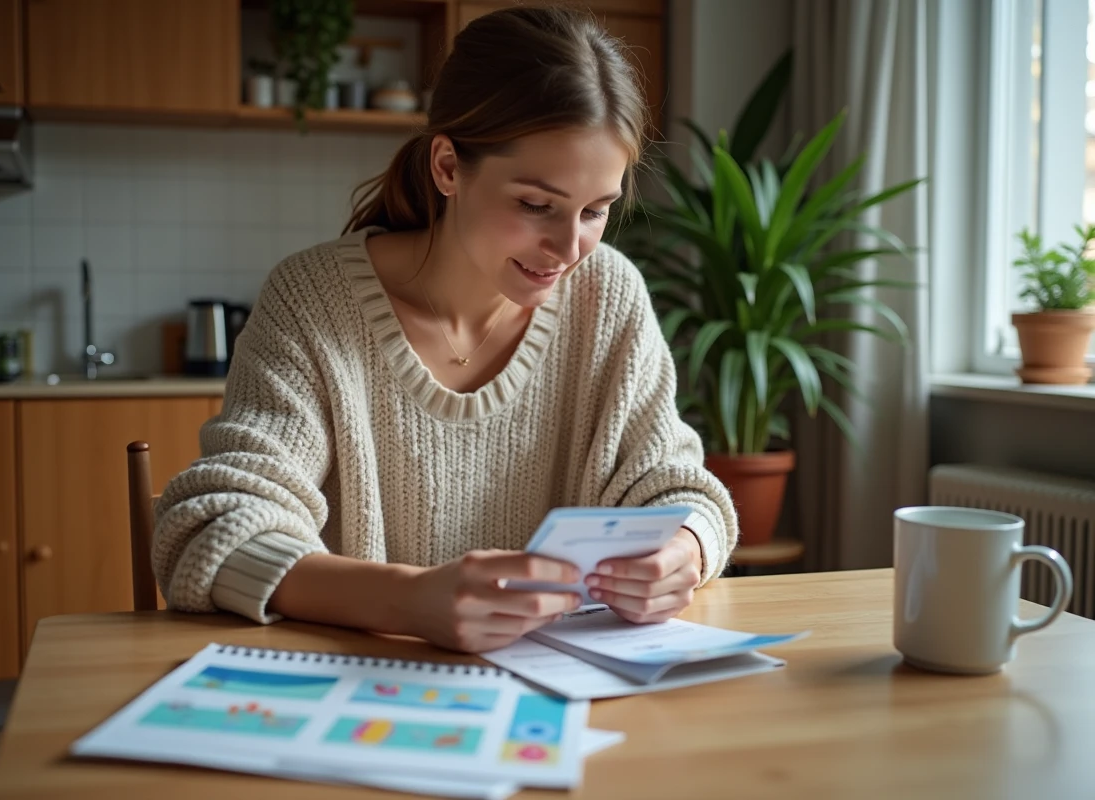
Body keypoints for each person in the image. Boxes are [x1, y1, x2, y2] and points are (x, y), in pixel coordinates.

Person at [152, 5, 739, 654]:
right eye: (535, 205)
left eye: (596, 211)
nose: (568, 247)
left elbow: (680, 490)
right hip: (358, 703)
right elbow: (209, 530)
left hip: (568, 709)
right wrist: (409, 600)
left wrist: (684, 549)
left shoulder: (609, 293)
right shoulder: (312, 302)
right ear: (448, 167)